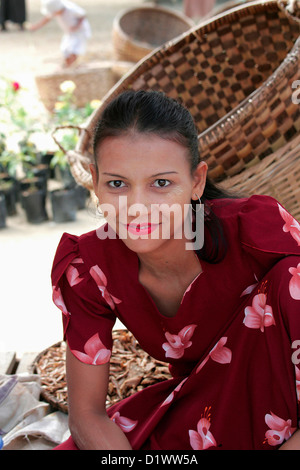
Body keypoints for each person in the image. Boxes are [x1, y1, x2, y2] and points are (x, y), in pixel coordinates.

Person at [51, 90, 300, 450]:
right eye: (117, 184)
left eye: (161, 183)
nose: (137, 207)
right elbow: (87, 415)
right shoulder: (88, 267)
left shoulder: (257, 232)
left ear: (197, 181)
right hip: (200, 413)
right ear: (95, 182)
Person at [29, 0, 91, 67]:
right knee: (65, 49)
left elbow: (82, 15)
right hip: (69, 32)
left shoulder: (70, 9)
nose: (54, 14)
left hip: (80, 32)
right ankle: (68, 64)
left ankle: (71, 64)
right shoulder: (55, 10)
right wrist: (36, 26)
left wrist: (77, 26)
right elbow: (47, 18)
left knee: (74, 49)